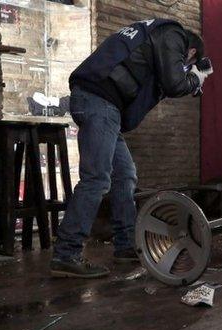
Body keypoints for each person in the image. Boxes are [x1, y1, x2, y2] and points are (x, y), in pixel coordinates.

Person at [50, 19, 212, 278]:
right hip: (100, 103)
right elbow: (174, 83)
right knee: (96, 179)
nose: (185, 67)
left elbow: (160, 82)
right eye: (188, 64)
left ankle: (126, 245)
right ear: (191, 53)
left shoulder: (154, 34)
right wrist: (195, 78)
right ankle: (66, 254)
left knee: (125, 175)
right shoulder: (174, 35)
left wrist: (190, 78)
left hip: (104, 106)